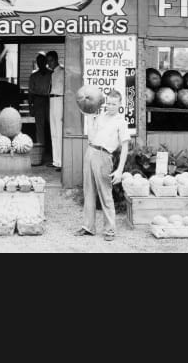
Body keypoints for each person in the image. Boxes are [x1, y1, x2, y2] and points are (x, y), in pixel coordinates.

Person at [75, 89, 130, 241]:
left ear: (120, 104)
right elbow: (91, 137)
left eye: (114, 104)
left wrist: (119, 170)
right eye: (109, 103)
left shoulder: (121, 121)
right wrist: (90, 118)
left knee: (105, 194)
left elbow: (125, 147)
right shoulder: (100, 117)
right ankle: (88, 227)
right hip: (90, 152)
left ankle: (110, 230)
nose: (111, 106)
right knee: (88, 191)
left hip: (104, 156)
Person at [28, 53, 51, 152]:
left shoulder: (51, 73)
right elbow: (30, 92)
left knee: (52, 124)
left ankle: (52, 148)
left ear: (46, 62)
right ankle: (40, 149)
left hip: (50, 100)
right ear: (37, 63)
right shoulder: (34, 76)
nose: (40, 63)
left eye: (42, 61)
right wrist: (30, 106)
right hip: (38, 100)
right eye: (39, 62)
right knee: (39, 126)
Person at [45, 50, 64, 172]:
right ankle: (56, 160)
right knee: (53, 131)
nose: (49, 63)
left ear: (56, 59)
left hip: (60, 100)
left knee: (59, 131)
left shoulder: (63, 72)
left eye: (51, 60)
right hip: (52, 100)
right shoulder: (52, 74)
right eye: (48, 61)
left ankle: (62, 162)